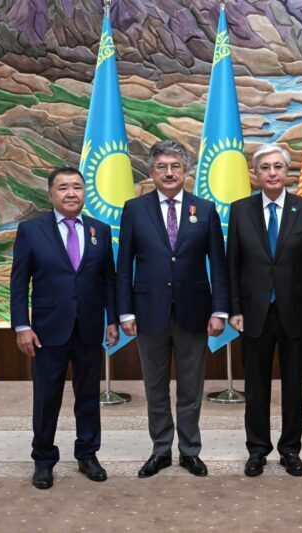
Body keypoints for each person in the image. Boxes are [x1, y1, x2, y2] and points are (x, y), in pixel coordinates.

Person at [116, 140, 229, 478]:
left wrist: (220, 310)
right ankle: (161, 450)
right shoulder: (134, 209)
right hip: (148, 311)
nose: (169, 172)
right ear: (151, 172)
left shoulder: (204, 209)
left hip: (194, 311)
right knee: (155, 387)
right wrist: (125, 312)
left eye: (175, 166)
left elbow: (218, 265)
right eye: (162, 167)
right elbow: (124, 265)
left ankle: (190, 451)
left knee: (191, 387)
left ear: (186, 170)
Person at [10, 167, 118, 490]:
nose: (71, 193)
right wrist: (22, 326)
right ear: (51, 194)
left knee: (88, 396)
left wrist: (112, 320)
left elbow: (108, 280)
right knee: (47, 397)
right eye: (63, 187)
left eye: (77, 187)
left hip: (89, 328)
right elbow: (19, 283)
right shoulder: (31, 230)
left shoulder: (100, 230)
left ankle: (88, 454)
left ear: (85, 192)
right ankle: (43, 460)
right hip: (47, 330)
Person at [227, 144, 302, 477]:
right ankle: (257, 450)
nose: (272, 173)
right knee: (256, 387)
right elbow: (232, 264)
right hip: (253, 312)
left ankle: (290, 449)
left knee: (294, 386)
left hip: (296, 311)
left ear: (287, 171)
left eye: (278, 166)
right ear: (255, 174)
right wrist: (234, 308)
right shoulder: (240, 210)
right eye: (265, 167)